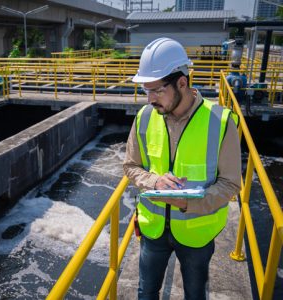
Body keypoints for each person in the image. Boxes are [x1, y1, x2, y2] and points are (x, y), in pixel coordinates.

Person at [123, 37, 241, 300]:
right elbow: (131, 165)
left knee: (195, 294)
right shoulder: (144, 117)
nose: (150, 99)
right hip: (153, 230)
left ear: (182, 83)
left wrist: (188, 204)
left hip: (197, 235)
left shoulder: (220, 122)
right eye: (146, 90)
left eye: (157, 90)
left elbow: (231, 183)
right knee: (146, 292)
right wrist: (153, 181)